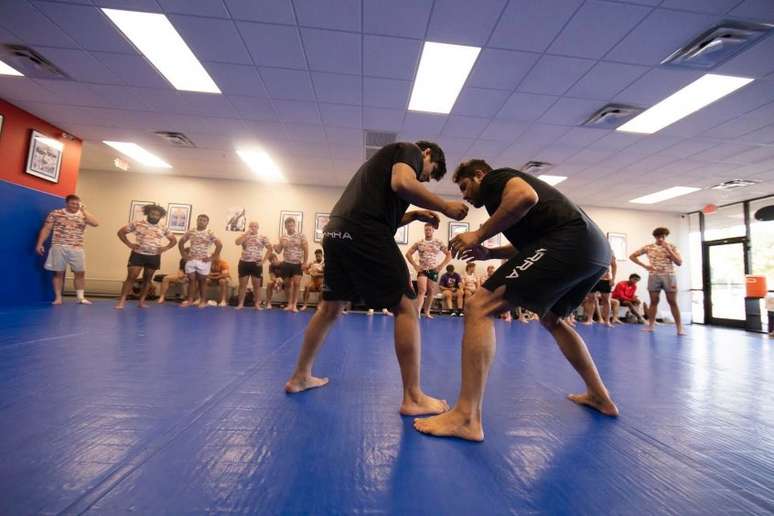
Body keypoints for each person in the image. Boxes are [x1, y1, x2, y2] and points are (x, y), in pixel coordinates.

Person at [414, 159, 618, 442]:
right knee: (552, 319)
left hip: (570, 243)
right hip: (594, 252)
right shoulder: (503, 206)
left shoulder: (496, 180)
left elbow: (525, 196)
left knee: (478, 306)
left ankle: (466, 417)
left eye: (464, 186)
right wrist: (489, 254)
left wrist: (479, 233)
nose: (464, 194)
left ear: (479, 175)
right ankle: (599, 395)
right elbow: (532, 247)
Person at [283, 140, 468, 419]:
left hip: (336, 232)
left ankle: (300, 377)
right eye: (429, 173)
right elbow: (403, 183)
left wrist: (414, 214)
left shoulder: (379, 167)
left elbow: (384, 212)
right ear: (427, 153)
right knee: (406, 306)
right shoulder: (410, 150)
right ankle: (414, 397)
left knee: (330, 307)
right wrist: (444, 206)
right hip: (363, 232)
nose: (424, 178)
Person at [36, 194, 99, 304]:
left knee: (80, 273)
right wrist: (39, 244)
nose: (75, 205)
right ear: (67, 203)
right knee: (58, 273)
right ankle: (58, 298)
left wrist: (83, 210)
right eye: (72, 203)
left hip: (77, 247)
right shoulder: (56, 213)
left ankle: (81, 298)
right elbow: (47, 229)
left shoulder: (83, 215)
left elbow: (95, 223)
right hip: (58, 246)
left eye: (77, 203)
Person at [115, 204, 177, 309]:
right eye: (152, 214)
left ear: (160, 216)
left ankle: (141, 302)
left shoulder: (163, 227)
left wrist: (164, 248)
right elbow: (121, 232)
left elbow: (174, 240)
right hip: (138, 254)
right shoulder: (137, 223)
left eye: (157, 215)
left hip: (154, 256)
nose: (154, 216)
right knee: (131, 277)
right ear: (148, 213)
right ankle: (121, 302)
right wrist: (129, 244)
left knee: (147, 279)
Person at [630, 227, 685, 335]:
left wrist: (668, 249)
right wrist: (645, 266)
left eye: (663, 236)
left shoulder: (672, 247)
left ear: (666, 236)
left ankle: (679, 327)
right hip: (654, 276)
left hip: (669, 276)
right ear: (655, 237)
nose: (661, 238)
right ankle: (651, 325)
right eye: (659, 236)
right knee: (654, 301)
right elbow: (632, 256)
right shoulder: (649, 247)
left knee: (672, 301)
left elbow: (679, 262)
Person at [405, 223, 451, 318]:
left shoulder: (438, 242)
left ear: (433, 231)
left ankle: (427, 312)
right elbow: (408, 254)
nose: (428, 231)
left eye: (430, 230)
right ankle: (417, 312)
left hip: (434, 270)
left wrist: (441, 266)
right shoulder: (419, 242)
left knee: (431, 292)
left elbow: (449, 254)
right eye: (426, 230)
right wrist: (415, 265)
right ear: (424, 230)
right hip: (422, 270)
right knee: (422, 291)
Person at [178, 214, 223, 308]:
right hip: (191, 259)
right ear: (197, 220)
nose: (201, 222)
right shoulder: (191, 231)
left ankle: (203, 301)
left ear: (207, 223)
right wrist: (184, 255)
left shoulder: (210, 232)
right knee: (191, 280)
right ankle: (190, 300)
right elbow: (181, 242)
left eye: (204, 220)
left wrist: (212, 257)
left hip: (203, 261)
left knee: (202, 281)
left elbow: (219, 245)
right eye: (200, 220)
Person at [274, 218, 308, 312]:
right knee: (287, 284)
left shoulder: (301, 235)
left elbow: (306, 249)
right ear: (285, 226)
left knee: (297, 284)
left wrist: (305, 262)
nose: (290, 227)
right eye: (288, 225)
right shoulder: (283, 237)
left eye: (292, 225)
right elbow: (279, 250)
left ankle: (294, 305)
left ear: (294, 225)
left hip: (297, 263)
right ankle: (289, 304)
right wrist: (275, 247)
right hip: (286, 263)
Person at [235, 221, 272, 310]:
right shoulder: (244, 236)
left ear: (258, 227)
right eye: (251, 226)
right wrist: (245, 234)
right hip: (244, 262)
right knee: (242, 285)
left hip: (256, 263)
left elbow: (270, 249)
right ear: (248, 227)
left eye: (255, 226)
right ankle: (240, 304)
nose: (253, 228)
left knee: (257, 286)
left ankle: (257, 304)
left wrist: (263, 261)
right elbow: (237, 242)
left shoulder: (262, 237)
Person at [581, 254, 617, 327]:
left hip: (605, 280)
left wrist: (613, 279)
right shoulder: (592, 250)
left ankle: (607, 321)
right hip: (592, 278)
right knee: (591, 299)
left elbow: (614, 265)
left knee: (606, 300)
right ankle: (590, 319)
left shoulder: (609, 252)